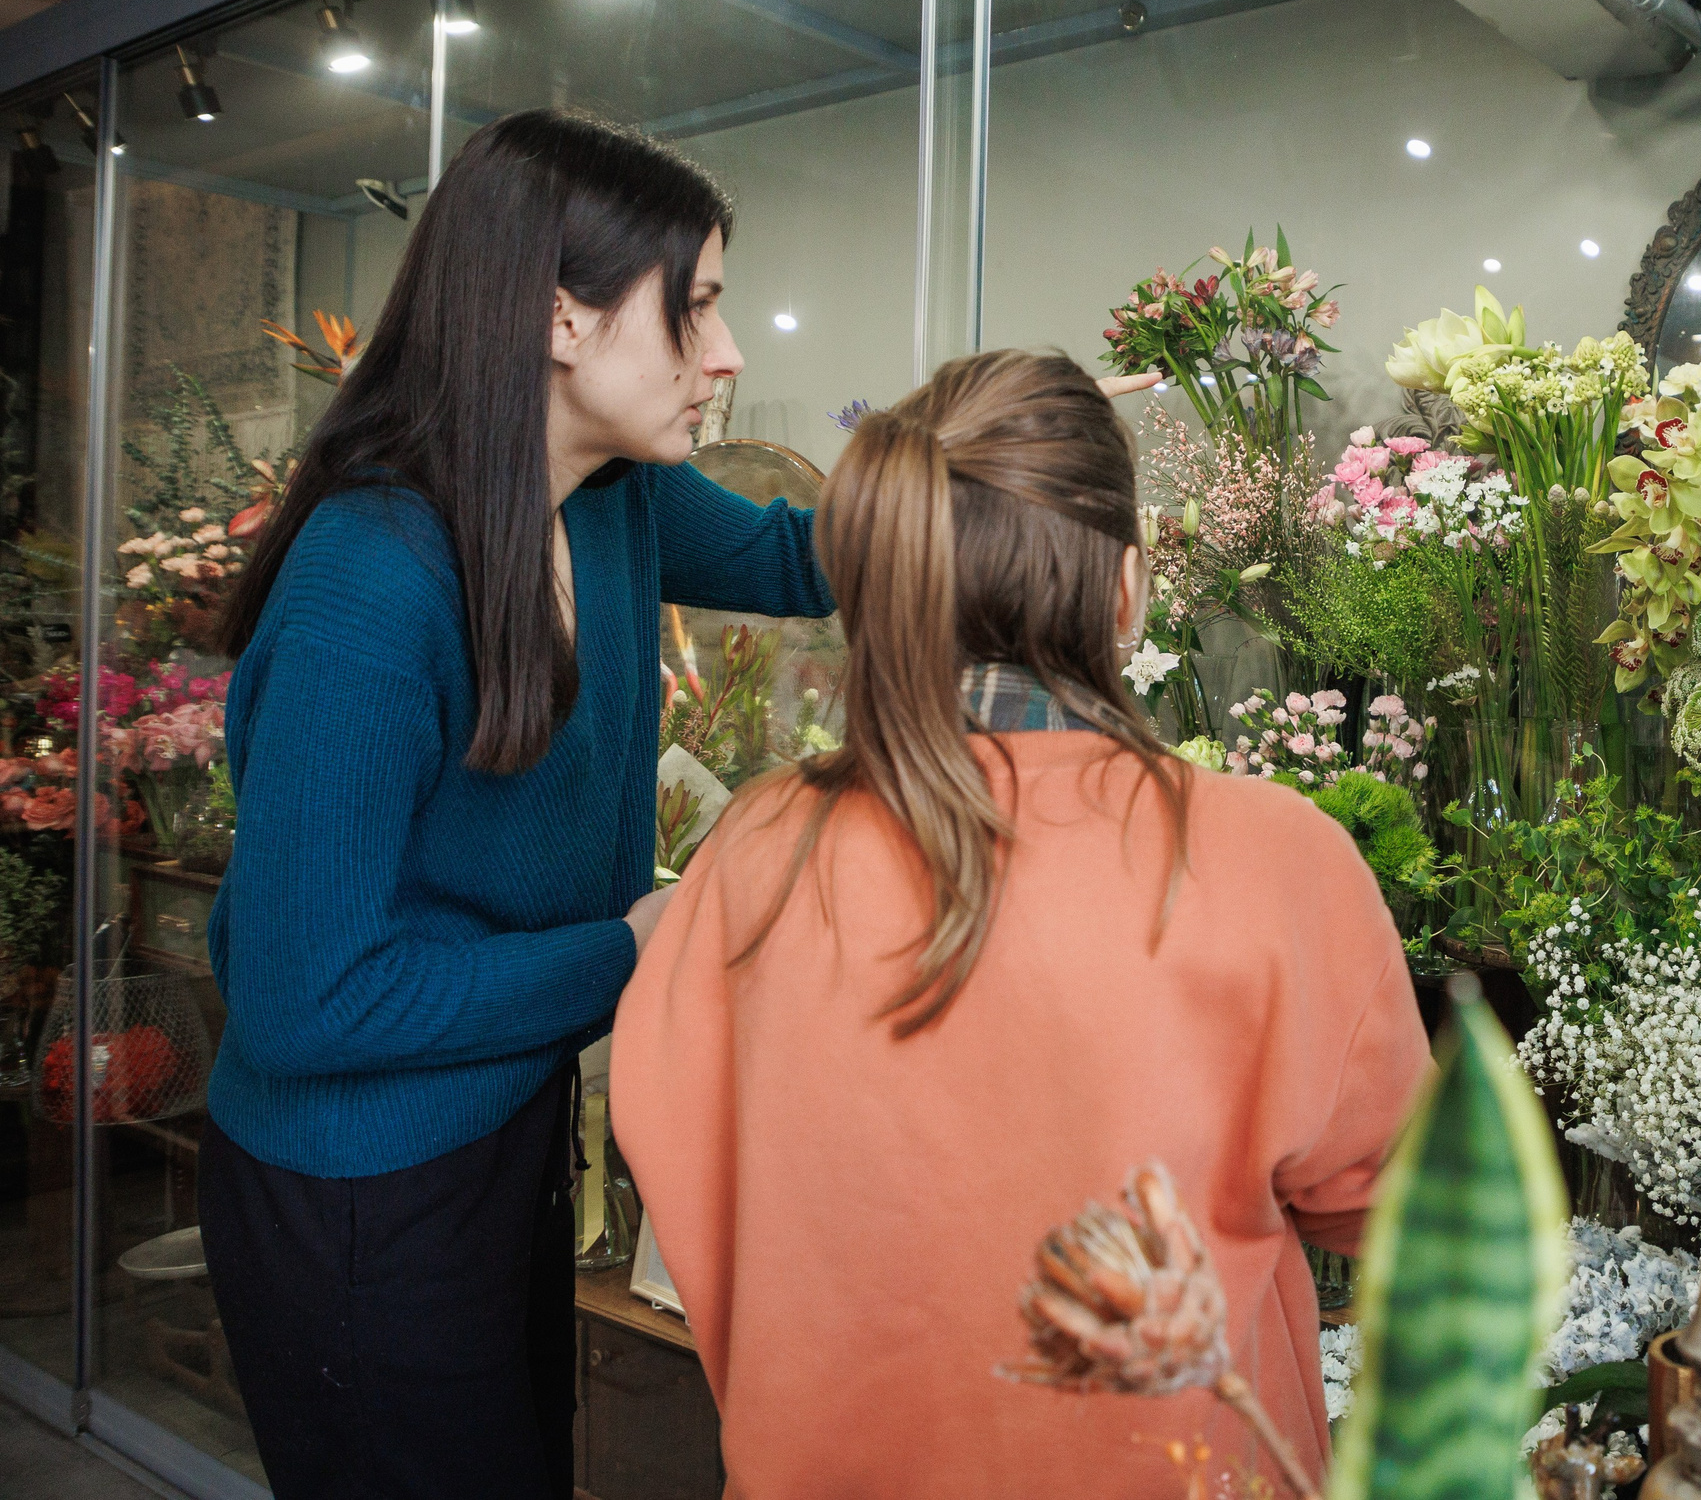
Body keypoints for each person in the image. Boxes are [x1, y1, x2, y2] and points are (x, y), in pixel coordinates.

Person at [194, 112, 1152, 1499]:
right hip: (358, 1193)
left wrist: (1012, 468)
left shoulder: (610, 499)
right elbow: (308, 998)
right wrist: (639, 943)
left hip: (496, 1126)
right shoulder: (372, 586)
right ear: (559, 316)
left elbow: (802, 554)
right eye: (695, 303)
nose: (730, 351)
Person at [610, 351, 1431, 1499]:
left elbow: (686, 1190)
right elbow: (1399, 1202)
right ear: (1128, 586)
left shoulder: (758, 847)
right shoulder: (1271, 856)